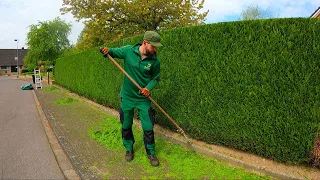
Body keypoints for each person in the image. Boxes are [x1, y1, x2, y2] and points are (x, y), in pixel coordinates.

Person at [100, 31, 162, 167]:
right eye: (153, 46)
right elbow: (113, 52)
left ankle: (150, 153)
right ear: (145, 43)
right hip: (127, 97)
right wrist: (107, 50)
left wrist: (148, 88)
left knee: (148, 127)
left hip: (143, 99)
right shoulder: (128, 51)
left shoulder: (155, 61)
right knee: (126, 124)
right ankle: (129, 148)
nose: (155, 49)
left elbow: (155, 78)